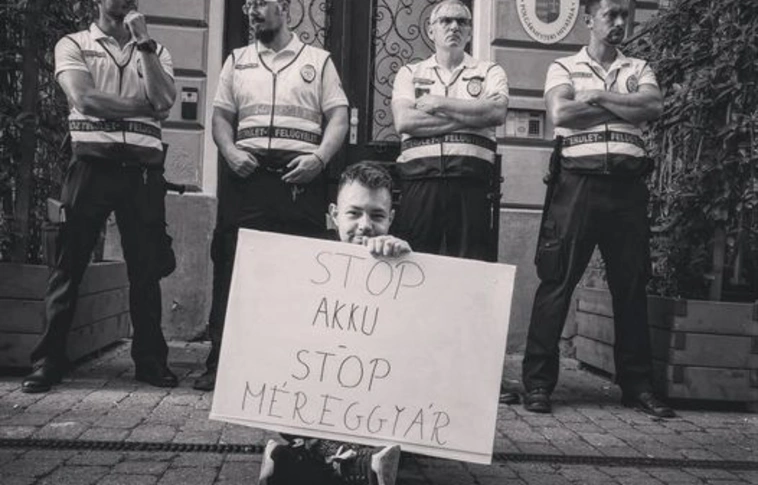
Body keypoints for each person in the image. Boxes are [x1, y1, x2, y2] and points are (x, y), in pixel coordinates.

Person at [520, 0, 675, 418]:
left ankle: (637, 386)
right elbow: (561, 112)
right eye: (611, 15)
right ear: (589, 19)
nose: (620, 22)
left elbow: (653, 107)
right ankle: (538, 384)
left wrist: (599, 96)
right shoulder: (564, 67)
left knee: (631, 284)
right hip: (577, 184)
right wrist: (622, 104)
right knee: (557, 280)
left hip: (627, 187)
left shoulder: (639, 67)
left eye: (626, 15)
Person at [22, 0, 178, 393]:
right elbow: (85, 99)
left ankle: (151, 361)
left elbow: (164, 101)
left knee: (146, 270)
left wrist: (144, 43)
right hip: (91, 165)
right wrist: (143, 107)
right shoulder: (74, 44)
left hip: (142, 171)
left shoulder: (156, 50)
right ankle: (47, 362)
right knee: (68, 265)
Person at [193, 0, 349, 391]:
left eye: (261, 2)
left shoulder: (318, 61)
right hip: (246, 177)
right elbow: (220, 117)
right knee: (232, 268)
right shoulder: (237, 60)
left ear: (285, 8)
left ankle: (295, 366)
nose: (251, 10)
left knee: (301, 273)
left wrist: (319, 159)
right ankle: (221, 363)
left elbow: (339, 117)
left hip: (300, 178)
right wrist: (230, 152)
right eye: (248, 4)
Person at [259, 162, 405, 485]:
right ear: (334, 215)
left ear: (391, 219)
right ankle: (355, 465)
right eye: (354, 213)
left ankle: (292, 461)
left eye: (377, 215)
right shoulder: (309, 265)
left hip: (374, 404)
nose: (365, 226)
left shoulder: (402, 264)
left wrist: (405, 261)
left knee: (398, 434)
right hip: (317, 404)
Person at [391, 0, 508, 262]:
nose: (454, 26)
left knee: (470, 265)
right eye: (445, 20)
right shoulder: (410, 73)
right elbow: (405, 121)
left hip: (471, 181)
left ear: (470, 32)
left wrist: (439, 103)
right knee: (415, 263)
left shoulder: (489, 71)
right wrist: (473, 117)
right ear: (431, 30)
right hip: (420, 180)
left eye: (462, 22)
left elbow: (496, 113)